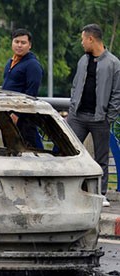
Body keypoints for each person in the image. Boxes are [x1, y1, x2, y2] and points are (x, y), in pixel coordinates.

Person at [67, 24, 120, 207]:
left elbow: (117, 93)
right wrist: (73, 107)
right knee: (68, 153)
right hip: (77, 117)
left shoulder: (113, 63)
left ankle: (101, 194)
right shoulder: (83, 60)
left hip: (100, 119)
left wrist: (109, 117)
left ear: (91, 39)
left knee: (102, 158)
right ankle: (70, 191)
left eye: (83, 39)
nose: (82, 43)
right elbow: (75, 85)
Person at [2, 28, 43, 148]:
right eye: (16, 41)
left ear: (29, 45)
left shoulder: (32, 65)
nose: (19, 45)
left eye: (23, 43)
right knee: (10, 149)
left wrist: (17, 113)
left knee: (28, 148)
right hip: (7, 112)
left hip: (23, 116)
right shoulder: (11, 62)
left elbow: (31, 92)